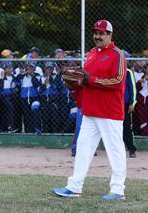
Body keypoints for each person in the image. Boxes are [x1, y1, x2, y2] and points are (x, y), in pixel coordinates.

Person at [53, 20, 127, 201]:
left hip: (109, 111)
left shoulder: (118, 54)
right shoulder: (92, 53)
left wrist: (90, 80)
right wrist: (73, 84)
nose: (97, 36)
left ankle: (118, 190)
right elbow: (84, 80)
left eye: (102, 33)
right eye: (95, 33)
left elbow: (117, 81)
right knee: (83, 149)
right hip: (90, 110)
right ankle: (74, 187)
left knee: (115, 150)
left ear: (110, 35)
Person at [123, 68, 137, 157]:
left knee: (127, 127)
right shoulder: (112, 70)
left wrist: (132, 103)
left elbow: (133, 88)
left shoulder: (128, 72)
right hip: (113, 104)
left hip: (125, 105)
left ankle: (131, 149)